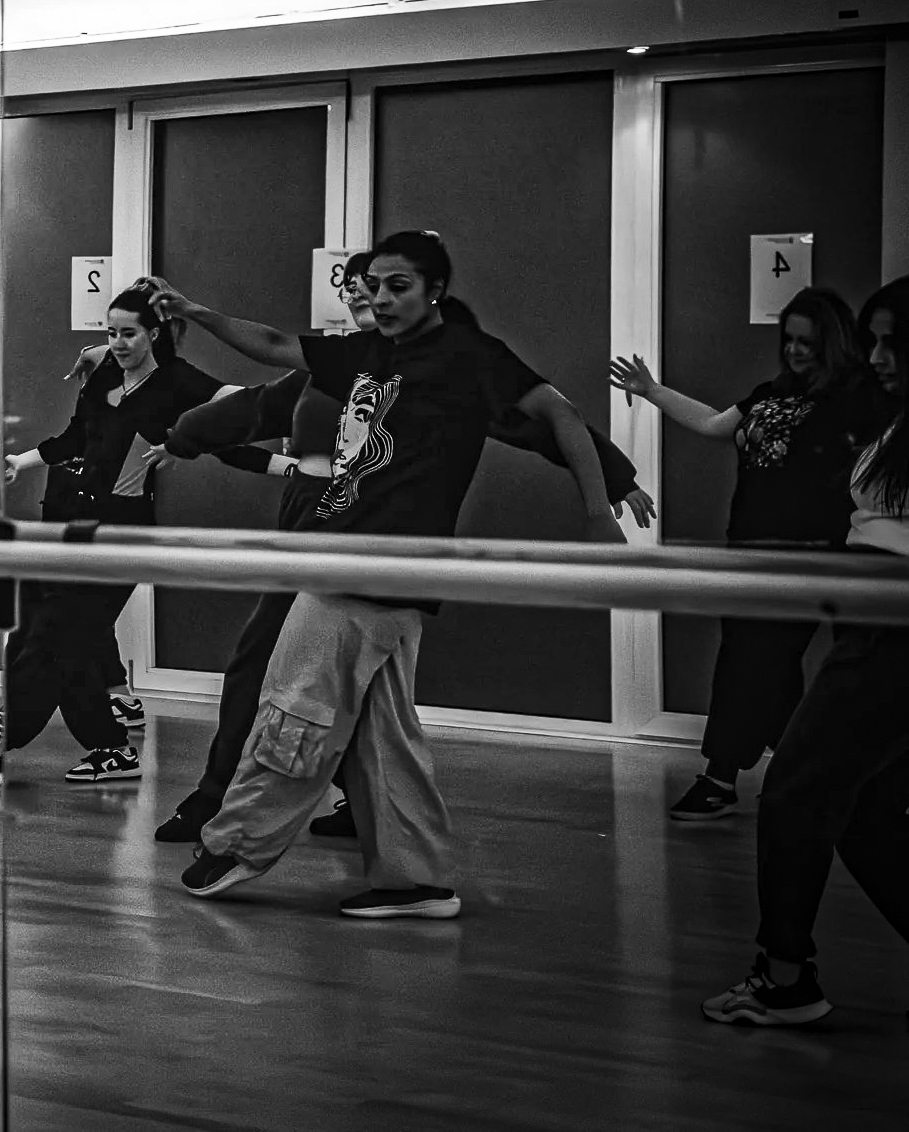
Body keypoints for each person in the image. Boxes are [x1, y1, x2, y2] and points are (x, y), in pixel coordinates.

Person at [160, 231, 624, 918]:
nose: (381, 298)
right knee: (384, 735)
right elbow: (273, 344)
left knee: (295, 704)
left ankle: (236, 843)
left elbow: (558, 416)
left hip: (377, 561)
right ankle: (415, 878)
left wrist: (597, 511)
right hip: (354, 553)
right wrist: (199, 313)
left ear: (436, 289)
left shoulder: (470, 357)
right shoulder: (367, 351)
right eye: (373, 285)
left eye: (398, 285)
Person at [704, 276, 909, 1026]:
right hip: (865, 621)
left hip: (892, 636)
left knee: (794, 790)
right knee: (866, 811)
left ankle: (784, 975)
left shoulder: (864, 408)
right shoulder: (893, 421)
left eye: (895, 341)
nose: (881, 356)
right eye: (876, 339)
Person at [610, 287, 883, 820]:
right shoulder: (773, 391)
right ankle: (803, 771)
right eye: (789, 340)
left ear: (834, 341)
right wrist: (651, 390)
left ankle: (719, 777)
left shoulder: (858, 397)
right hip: (749, 548)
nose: (796, 351)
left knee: (750, 660)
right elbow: (716, 425)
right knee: (767, 664)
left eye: (808, 341)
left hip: (808, 555)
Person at [0, 288, 243, 792]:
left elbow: (230, 400)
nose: (118, 343)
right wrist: (25, 460)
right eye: (111, 333)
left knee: (57, 636)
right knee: (75, 641)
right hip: (80, 528)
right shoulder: (106, 374)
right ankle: (110, 747)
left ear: (153, 334)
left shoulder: (175, 380)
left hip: (125, 532)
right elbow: (74, 439)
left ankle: (13, 740)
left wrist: (290, 409)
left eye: (128, 333)